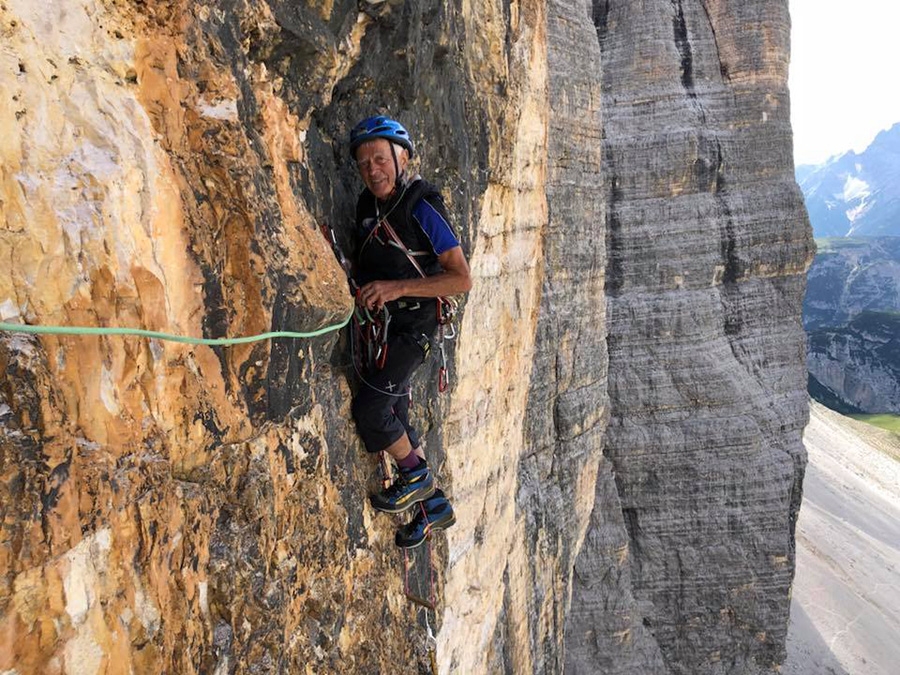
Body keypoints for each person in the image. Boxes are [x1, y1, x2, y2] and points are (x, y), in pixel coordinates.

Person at [348, 115, 471, 548]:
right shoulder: (368, 208)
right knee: (394, 413)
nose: (372, 170)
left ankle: (414, 477)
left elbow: (460, 278)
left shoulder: (423, 207)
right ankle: (433, 506)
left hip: (414, 327)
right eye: (363, 164)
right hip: (385, 325)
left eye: (380, 159)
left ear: (402, 158)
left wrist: (396, 288)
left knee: (373, 409)